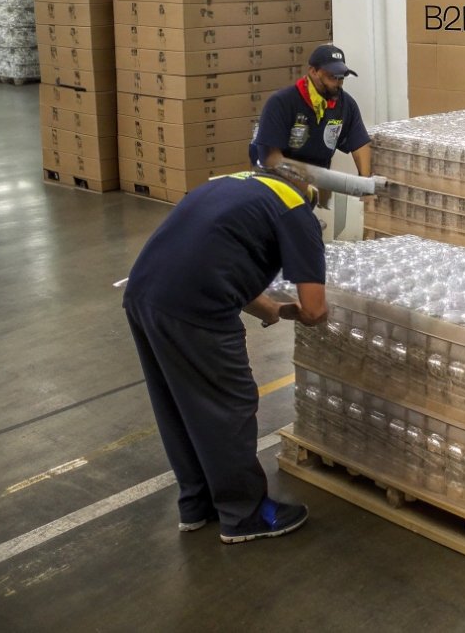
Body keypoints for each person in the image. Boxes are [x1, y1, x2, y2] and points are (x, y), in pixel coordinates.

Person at [123, 170, 329, 544]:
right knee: (229, 404)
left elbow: (214, 256)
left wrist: (271, 309)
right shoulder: (297, 212)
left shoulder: (233, 186)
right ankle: (245, 513)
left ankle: (197, 503)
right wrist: (324, 316)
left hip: (143, 293)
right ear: (310, 199)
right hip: (196, 308)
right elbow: (315, 311)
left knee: (178, 404)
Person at [250, 43, 372, 179]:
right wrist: (304, 183)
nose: (338, 83)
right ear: (313, 72)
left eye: (341, 77)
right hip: (278, 182)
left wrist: (366, 185)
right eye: (332, 77)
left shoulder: (346, 105)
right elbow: (270, 157)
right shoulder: (282, 102)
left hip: (317, 181)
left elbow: (361, 145)